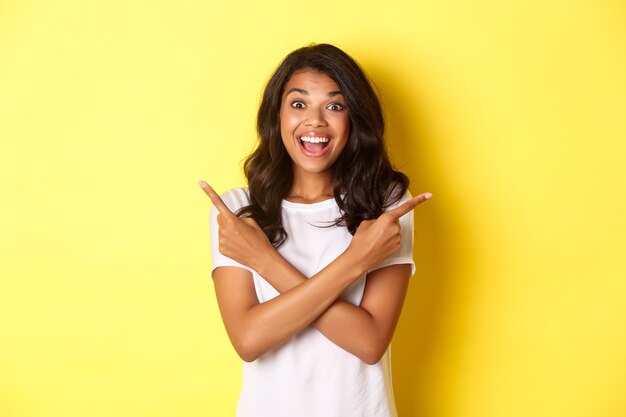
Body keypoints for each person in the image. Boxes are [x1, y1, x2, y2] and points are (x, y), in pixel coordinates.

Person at [199, 43, 432, 417]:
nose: (315, 121)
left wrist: (262, 259)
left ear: (354, 119)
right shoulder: (239, 210)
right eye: (298, 104)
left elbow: (369, 341)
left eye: (335, 106)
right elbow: (249, 339)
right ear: (276, 116)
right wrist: (357, 260)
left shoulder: (384, 203)